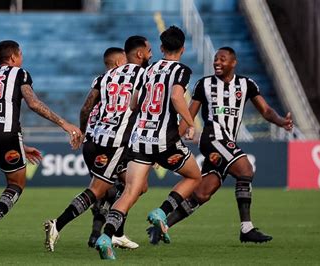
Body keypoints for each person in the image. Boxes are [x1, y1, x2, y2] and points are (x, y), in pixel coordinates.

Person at [148, 46, 293, 244]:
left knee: (202, 193)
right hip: (212, 137)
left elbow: (266, 111)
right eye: (216, 59)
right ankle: (246, 228)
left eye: (222, 59)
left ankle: (159, 228)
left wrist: (281, 122)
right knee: (245, 170)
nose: (217, 62)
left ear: (233, 63)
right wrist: (169, 144)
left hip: (227, 142)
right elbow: (188, 115)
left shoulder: (246, 84)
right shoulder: (204, 84)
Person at [0, 40, 82, 253]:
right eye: (21, 54)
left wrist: (22, 146)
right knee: (16, 183)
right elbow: (33, 103)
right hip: (8, 135)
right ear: (14, 57)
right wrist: (64, 124)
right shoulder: (20, 73)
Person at [95, 26, 202, 260]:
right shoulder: (182, 70)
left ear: (162, 48)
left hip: (139, 138)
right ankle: (161, 212)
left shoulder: (149, 69)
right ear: (183, 49)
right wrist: (190, 122)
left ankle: (106, 236)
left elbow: (133, 103)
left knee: (130, 192)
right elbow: (175, 96)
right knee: (194, 176)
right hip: (165, 139)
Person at [44, 36, 152, 252]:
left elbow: (86, 107)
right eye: (149, 51)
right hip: (116, 142)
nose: (151, 55)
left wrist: (82, 131)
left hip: (99, 138)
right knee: (97, 189)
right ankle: (58, 224)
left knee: (137, 186)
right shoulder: (145, 74)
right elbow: (145, 105)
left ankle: (118, 233)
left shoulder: (104, 77)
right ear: (138, 55)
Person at [85, 47, 139, 249]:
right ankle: (113, 234)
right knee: (126, 187)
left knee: (105, 189)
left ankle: (97, 234)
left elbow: (86, 108)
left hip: (91, 141)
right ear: (118, 62)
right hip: (111, 140)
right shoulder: (125, 86)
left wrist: (81, 132)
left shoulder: (101, 83)